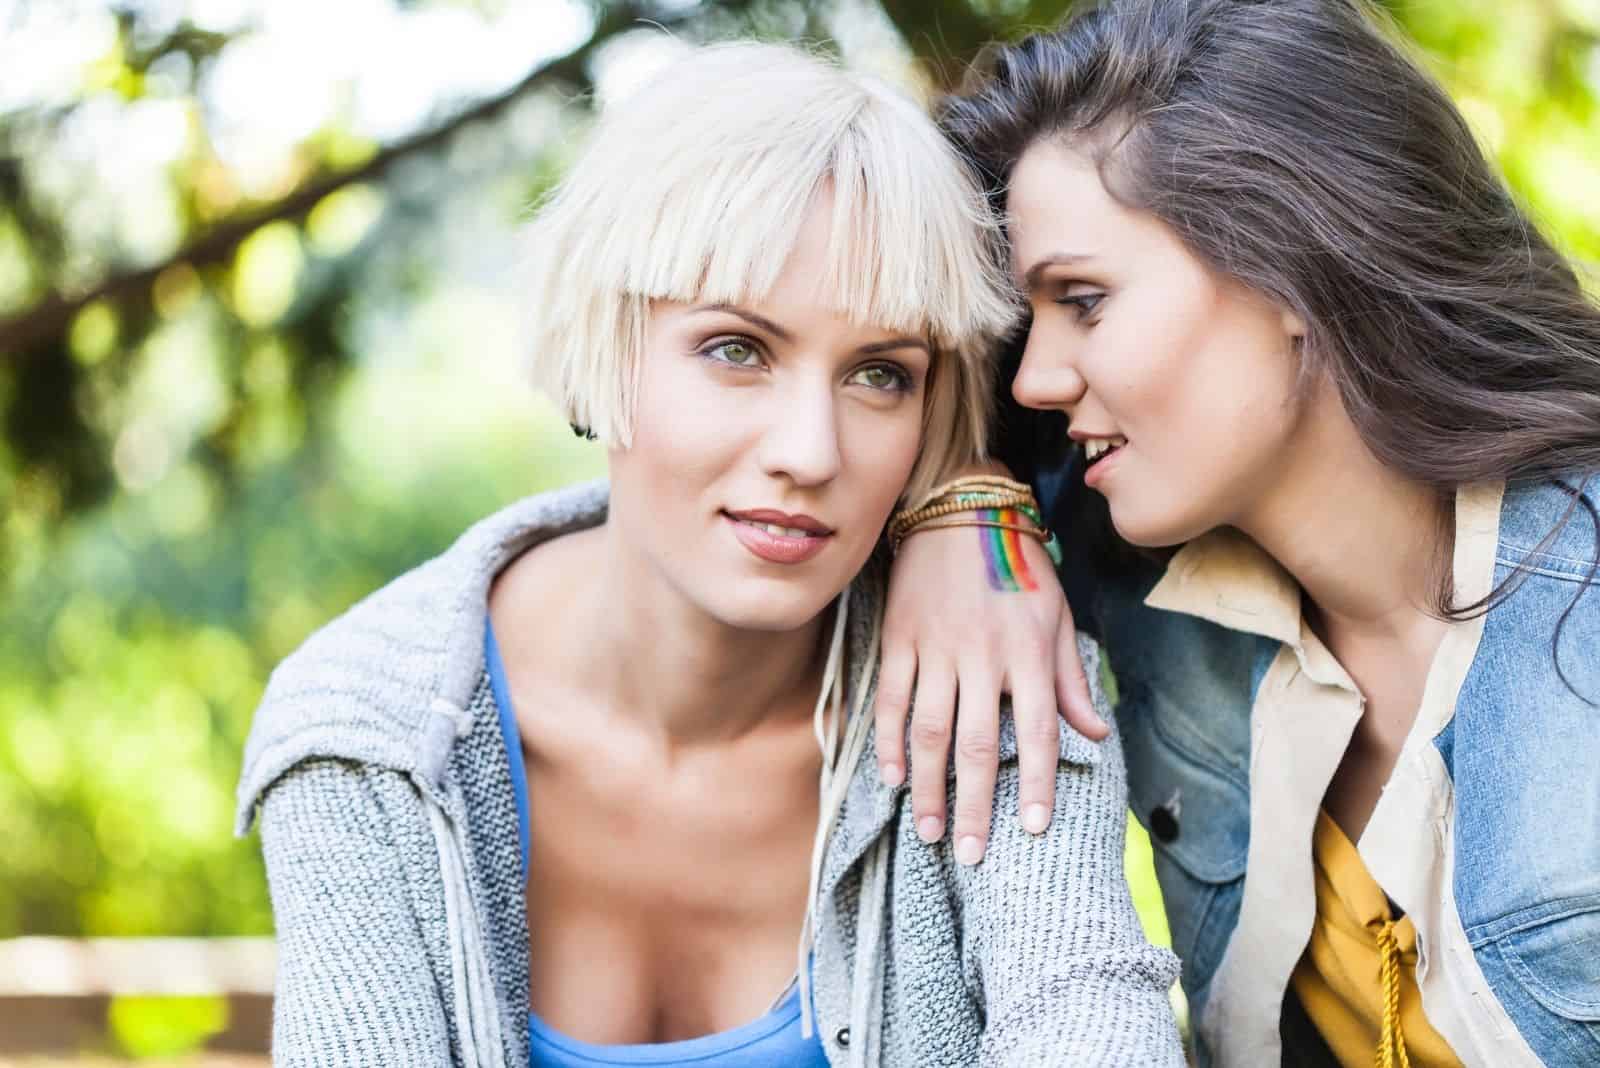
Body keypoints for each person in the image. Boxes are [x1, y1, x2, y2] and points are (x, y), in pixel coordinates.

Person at [235, 41, 1183, 1068]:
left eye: (878, 375)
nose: (809, 453)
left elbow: (1088, 1019)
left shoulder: (993, 674)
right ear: (606, 340)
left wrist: (973, 510)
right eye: (737, 350)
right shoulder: (369, 739)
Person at [879, 0, 1600, 1064]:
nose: (1036, 374)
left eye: (1083, 300)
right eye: (1030, 321)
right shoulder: (1138, 580)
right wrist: (963, 511)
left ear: (1288, 265)